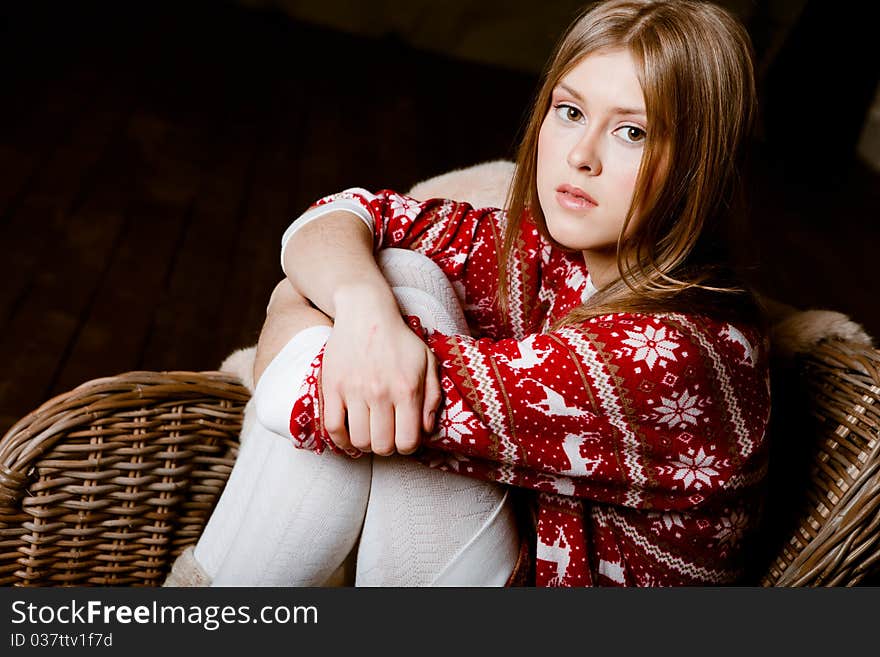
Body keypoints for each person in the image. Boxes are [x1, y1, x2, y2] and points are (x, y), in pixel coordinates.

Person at [171, 0, 771, 587]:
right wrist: (363, 309)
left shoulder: (676, 356)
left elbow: (309, 396)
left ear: (700, 165)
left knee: (383, 374)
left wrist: (292, 309)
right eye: (569, 112)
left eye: (632, 132)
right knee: (399, 278)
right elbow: (344, 215)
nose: (580, 156)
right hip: (518, 558)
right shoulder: (557, 254)